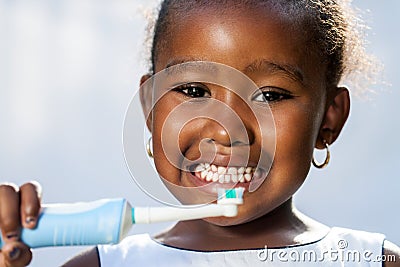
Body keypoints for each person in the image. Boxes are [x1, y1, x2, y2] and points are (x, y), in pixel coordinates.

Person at [0, 0, 399, 266]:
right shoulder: (103, 265)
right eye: (193, 91)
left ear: (329, 120)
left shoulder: (372, 260)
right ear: (150, 108)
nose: (226, 132)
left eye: (269, 95)